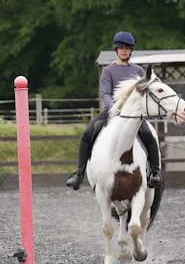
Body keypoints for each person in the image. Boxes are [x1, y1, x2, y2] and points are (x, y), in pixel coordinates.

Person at [65, 31, 163, 190]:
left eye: (127, 48)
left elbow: (143, 94)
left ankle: (156, 172)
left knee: (149, 135)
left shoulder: (138, 71)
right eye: (121, 47)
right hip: (112, 111)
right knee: (88, 132)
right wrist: (115, 108)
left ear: (131, 50)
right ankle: (79, 174)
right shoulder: (108, 71)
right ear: (116, 49)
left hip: (133, 114)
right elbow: (105, 93)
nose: (124, 50)